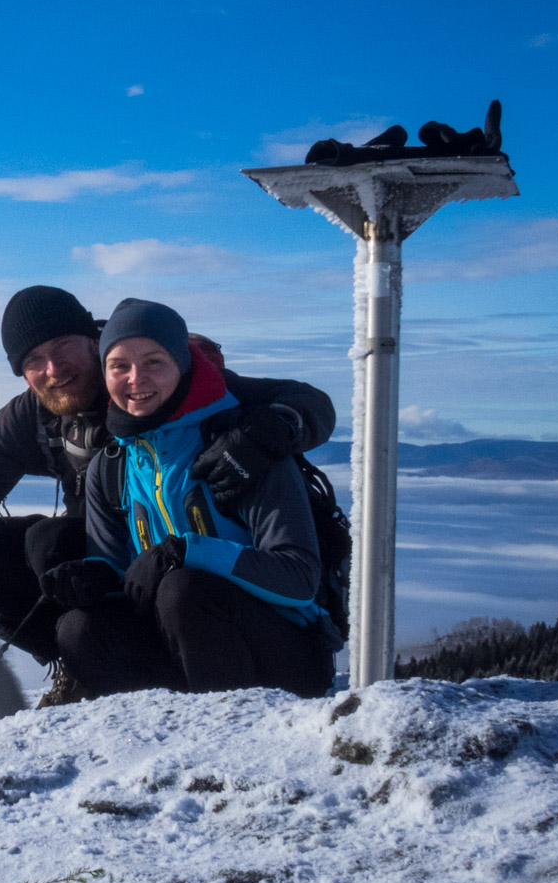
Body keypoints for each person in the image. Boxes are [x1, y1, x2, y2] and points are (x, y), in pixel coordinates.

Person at [0, 285, 336, 681]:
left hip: (225, 582)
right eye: (34, 361)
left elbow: (306, 400)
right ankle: (80, 663)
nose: (53, 370)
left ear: (92, 340)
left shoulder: (172, 387)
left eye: (63, 348)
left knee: (67, 548)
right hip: (121, 561)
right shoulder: (34, 418)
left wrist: (273, 431)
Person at [42, 298, 339, 698]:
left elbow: (299, 578)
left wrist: (186, 552)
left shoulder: (241, 446)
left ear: (182, 364)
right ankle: (151, 744)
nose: (135, 379)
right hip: (184, 650)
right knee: (79, 629)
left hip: (286, 655)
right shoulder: (110, 466)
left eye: (154, 362)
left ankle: (238, 741)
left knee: (183, 588)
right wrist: (95, 578)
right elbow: (125, 575)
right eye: (119, 366)